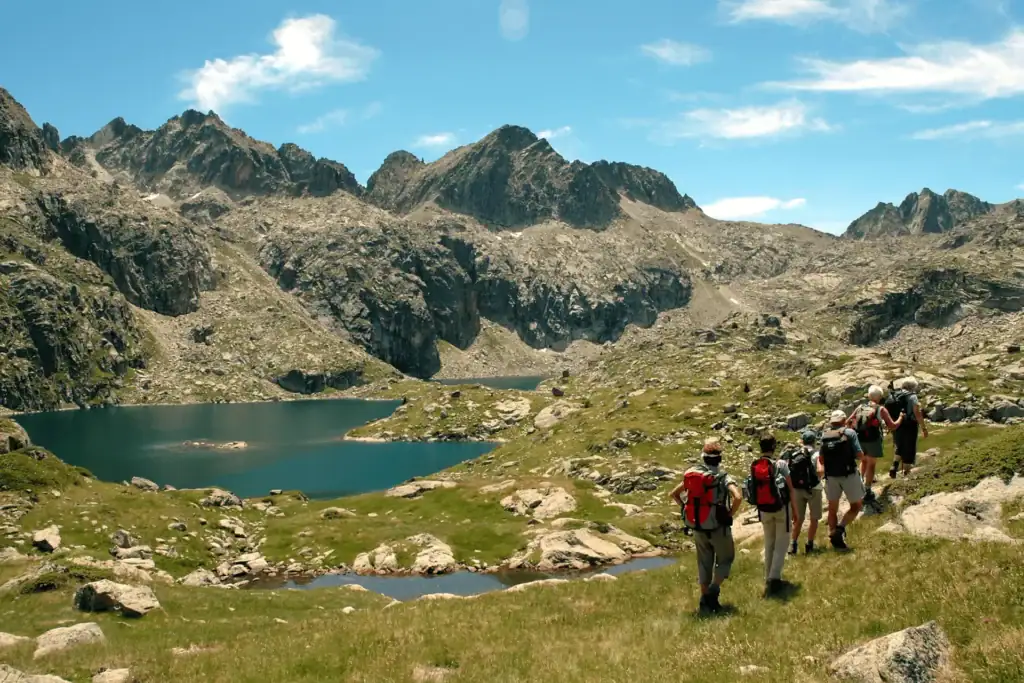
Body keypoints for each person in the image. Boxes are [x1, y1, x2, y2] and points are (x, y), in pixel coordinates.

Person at [671, 438, 742, 613]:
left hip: (698, 527)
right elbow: (738, 497)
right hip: (718, 527)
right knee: (726, 559)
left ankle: (704, 602)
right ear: (720, 459)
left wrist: (685, 508)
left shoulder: (695, 476)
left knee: (704, 564)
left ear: (703, 458)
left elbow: (673, 494)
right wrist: (729, 514)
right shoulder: (723, 477)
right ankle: (713, 592)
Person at [746, 432, 798, 597]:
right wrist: (795, 511)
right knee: (782, 543)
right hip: (781, 508)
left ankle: (768, 576)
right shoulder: (780, 464)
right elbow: (791, 489)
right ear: (774, 446)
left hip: (763, 509)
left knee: (769, 542)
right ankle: (775, 578)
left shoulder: (755, 465)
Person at [847, 385, 904, 501]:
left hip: (859, 439)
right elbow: (892, 426)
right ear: (880, 397)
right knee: (871, 464)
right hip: (873, 440)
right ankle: (867, 489)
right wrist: (901, 418)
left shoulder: (860, 407)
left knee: (863, 461)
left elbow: (848, 421)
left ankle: (859, 484)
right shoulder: (881, 409)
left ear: (869, 396)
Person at [820, 410, 866, 551]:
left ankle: (834, 539)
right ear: (844, 420)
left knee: (832, 509)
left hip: (831, 477)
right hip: (848, 475)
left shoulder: (825, 435)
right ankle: (840, 529)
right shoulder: (850, 433)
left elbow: (821, 459)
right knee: (856, 506)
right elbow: (859, 455)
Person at [783, 430, 824, 555]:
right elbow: (820, 470)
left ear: (803, 441)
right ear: (814, 441)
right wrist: (818, 478)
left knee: (798, 519)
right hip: (814, 489)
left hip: (797, 489)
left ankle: (793, 544)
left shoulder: (795, 453)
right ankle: (809, 544)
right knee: (814, 518)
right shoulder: (816, 454)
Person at [887, 377, 928, 478]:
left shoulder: (895, 395)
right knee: (909, 448)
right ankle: (906, 475)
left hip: (897, 423)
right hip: (910, 425)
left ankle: (894, 465)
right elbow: (917, 413)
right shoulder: (912, 396)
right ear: (912, 387)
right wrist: (924, 428)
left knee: (899, 445)